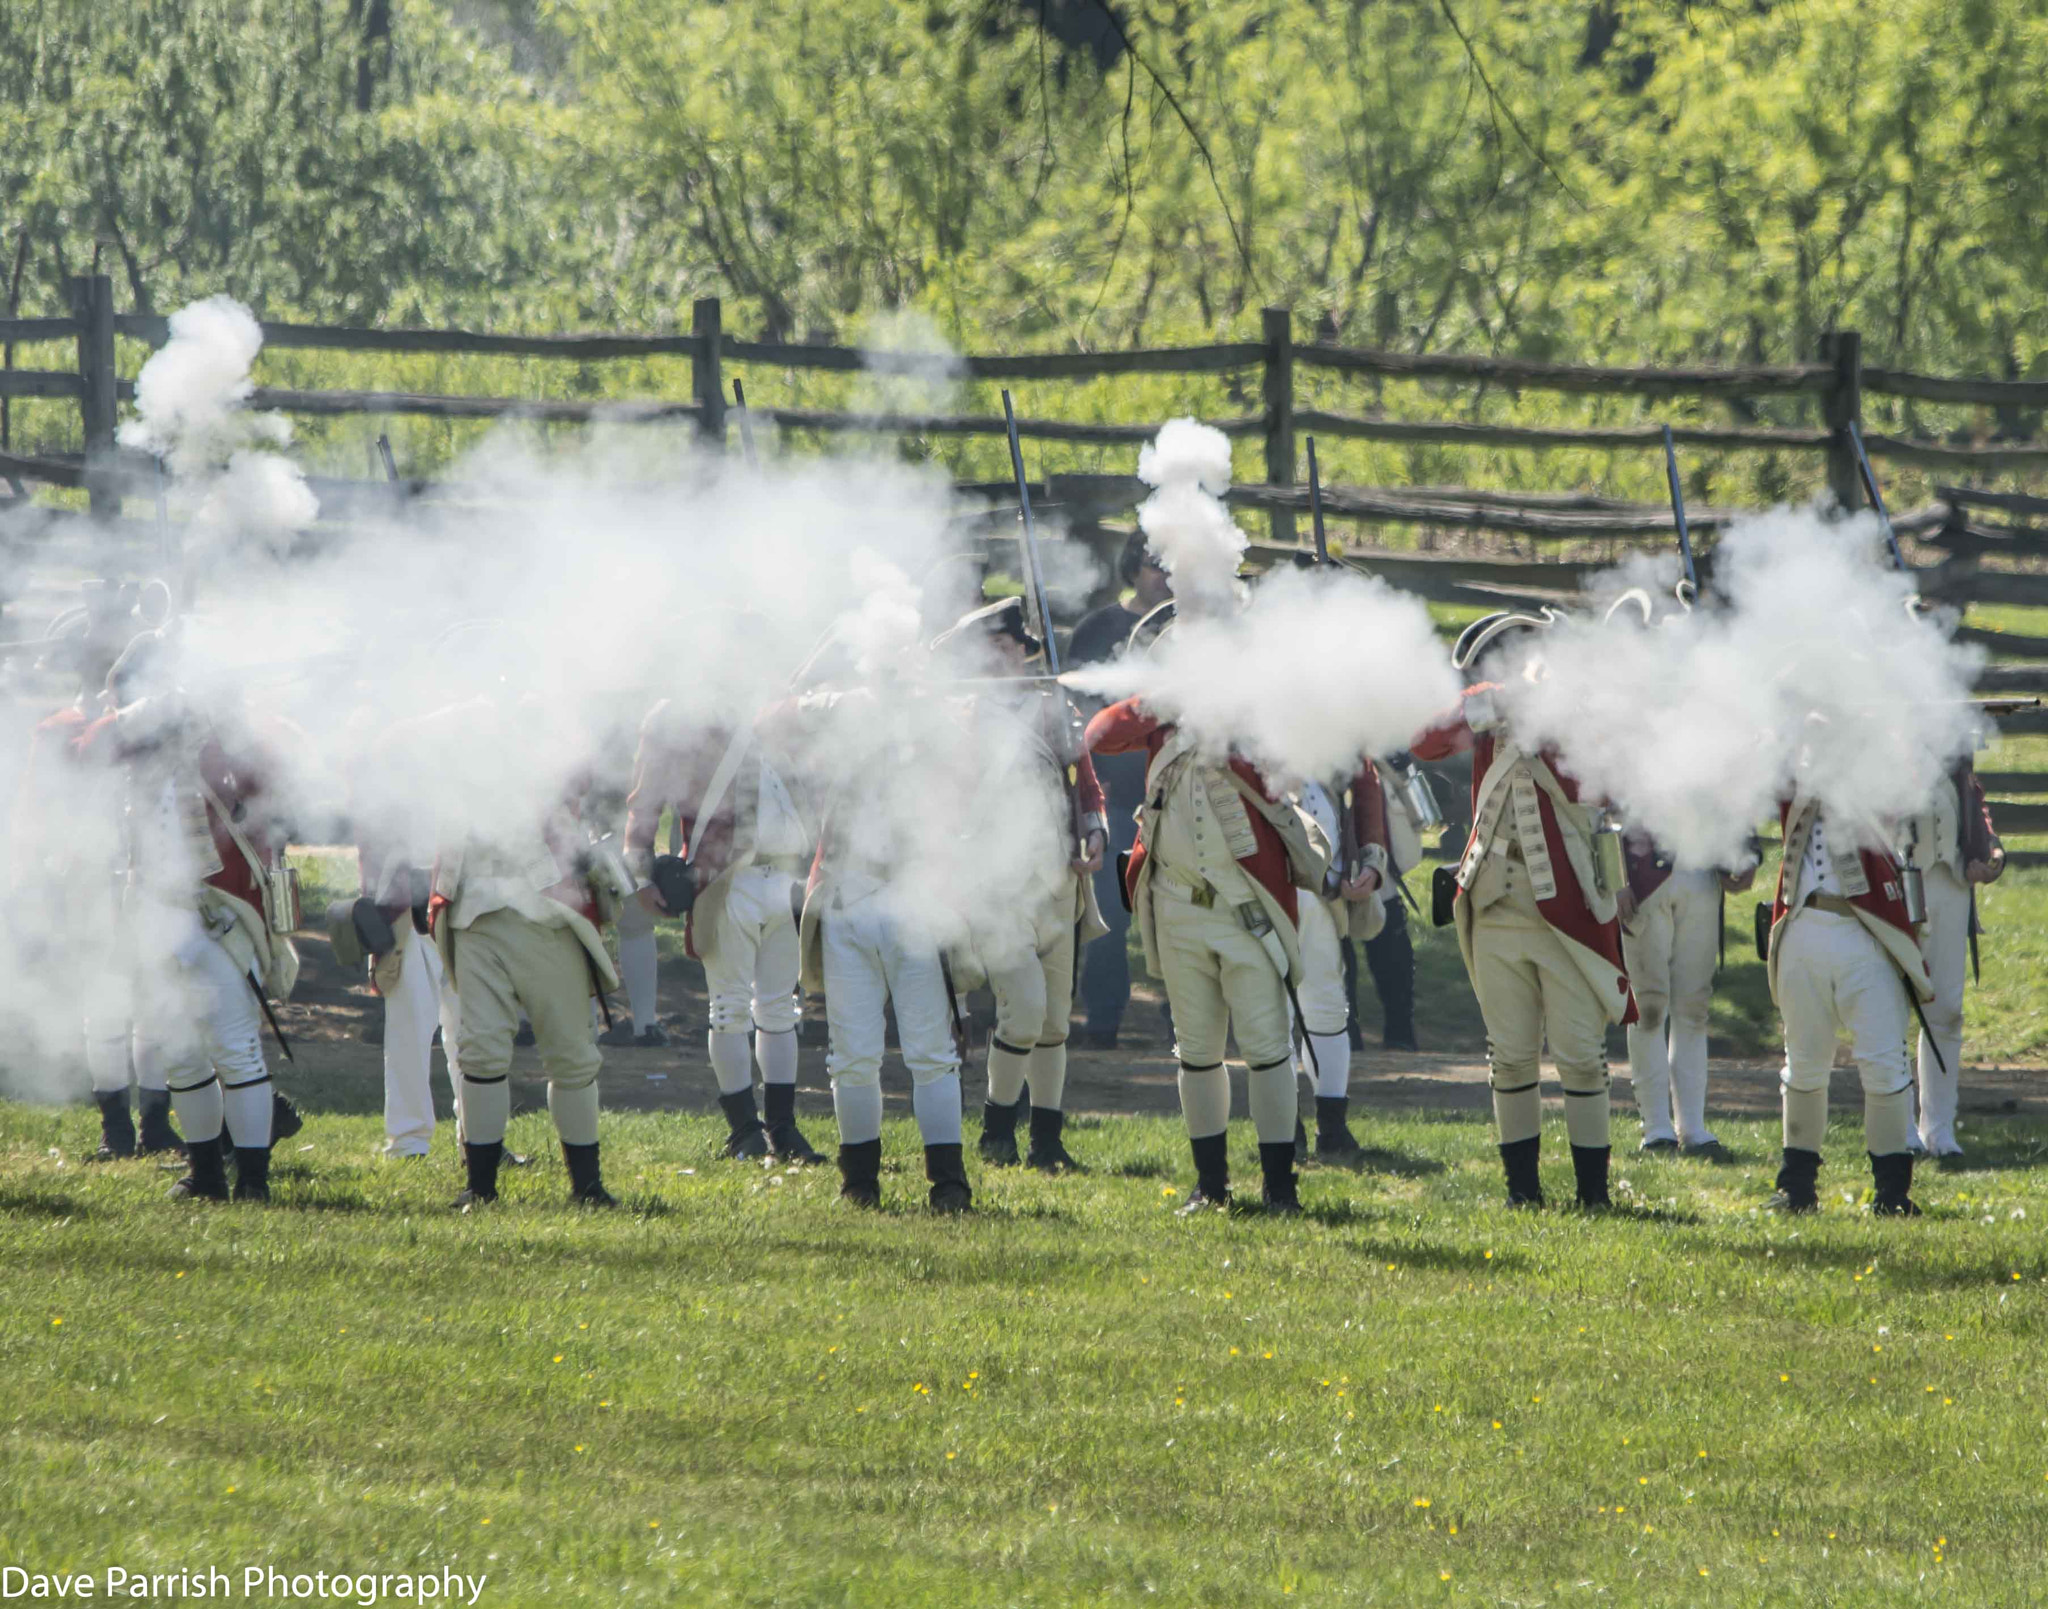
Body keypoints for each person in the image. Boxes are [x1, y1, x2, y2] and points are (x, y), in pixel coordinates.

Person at [1410, 612, 1635, 1210]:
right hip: (1494, 904)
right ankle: (1522, 1193)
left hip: (1569, 914)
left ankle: (1593, 1196)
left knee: (1581, 1059)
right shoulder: (1488, 708)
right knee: (1509, 1055)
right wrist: (1498, 699)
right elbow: (1424, 740)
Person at [1086, 673, 1329, 1215]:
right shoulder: (1162, 716)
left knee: (1267, 1052)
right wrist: (1162, 698)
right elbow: (1102, 734)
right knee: (1196, 1053)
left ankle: (1279, 1188)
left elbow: (1270, 768)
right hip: (1176, 909)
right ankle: (1210, 1185)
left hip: (1248, 911)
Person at [83, 632, 297, 1202]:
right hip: (155, 911)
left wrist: (209, 720)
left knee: (235, 1045)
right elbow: (91, 746)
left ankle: (253, 1180)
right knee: (180, 1050)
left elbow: (276, 780)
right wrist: (154, 707)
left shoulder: (233, 739)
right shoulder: (139, 729)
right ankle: (205, 1176)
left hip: (220, 912)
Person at [406, 696, 627, 1210]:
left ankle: (586, 1186)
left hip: (547, 912)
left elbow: (584, 780)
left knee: (571, 1054)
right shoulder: (452, 743)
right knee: (480, 1050)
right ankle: (480, 1188)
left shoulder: (554, 733)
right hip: (474, 915)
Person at [764, 681, 974, 1211]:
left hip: (916, 902)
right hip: (845, 900)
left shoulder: (939, 718)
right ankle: (858, 1181)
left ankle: (948, 1184)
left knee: (932, 1055)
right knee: (852, 1057)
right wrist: (828, 701)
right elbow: (767, 724)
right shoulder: (841, 713)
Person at [932, 599, 1109, 1172]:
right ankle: (997, 1128)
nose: (995, 659)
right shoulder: (959, 717)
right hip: (995, 887)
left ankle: (1047, 1141)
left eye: (1005, 648)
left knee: (1055, 1023)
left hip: (1057, 880)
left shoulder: (1051, 709)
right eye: (985, 650)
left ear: (1024, 652)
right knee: (1026, 1010)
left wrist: (1095, 832)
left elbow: (1086, 787)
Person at [624, 698, 824, 1164]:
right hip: (725, 878)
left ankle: (782, 1129)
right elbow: (645, 804)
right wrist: (640, 874)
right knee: (729, 1008)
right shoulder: (674, 719)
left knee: (779, 1009)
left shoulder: (772, 705)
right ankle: (744, 1131)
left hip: (788, 877)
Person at [1763, 793, 1932, 1215]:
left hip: (1867, 929)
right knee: (1803, 1063)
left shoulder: (1876, 750)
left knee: (1883, 1062)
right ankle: (1796, 1189)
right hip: (1802, 924)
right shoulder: (1793, 755)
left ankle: (1892, 1195)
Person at [1064, 535, 1173, 1049]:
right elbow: (1078, 716)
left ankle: (1186, 1023)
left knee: (1178, 917)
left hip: (1174, 798)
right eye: (1156, 566)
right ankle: (1103, 1024)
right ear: (1134, 567)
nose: (1165, 578)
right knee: (1108, 922)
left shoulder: (1193, 634)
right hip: (1114, 796)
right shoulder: (1098, 631)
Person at [1616, 832, 1751, 1157]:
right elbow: (1603, 805)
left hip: (1701, 872)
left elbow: (1736, 788)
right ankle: (1656, 1128)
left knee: (1693, 1008)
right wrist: (1615, 878)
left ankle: (1692, 1127)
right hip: (1641, 876)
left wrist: (1746, 854)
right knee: (1648, 1007)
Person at [1898, 759, 2004, 1159]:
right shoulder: (1886, 740)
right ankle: (1901, 1126)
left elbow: (1976, 810)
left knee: (1948, 1010)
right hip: (1899, 886)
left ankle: (1938, 1130)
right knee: (1893, 1010)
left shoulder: (1956, 754)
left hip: (1952, 886)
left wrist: (1992, 854)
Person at [1289, 767, 1389, 1160]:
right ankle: (1282, 1123)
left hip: (1325, 890)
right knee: (1269, 1009)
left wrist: (1371, 861)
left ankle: (1332, 1125)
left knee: (1328, 1004)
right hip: (1260, 880)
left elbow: (1365, 784)